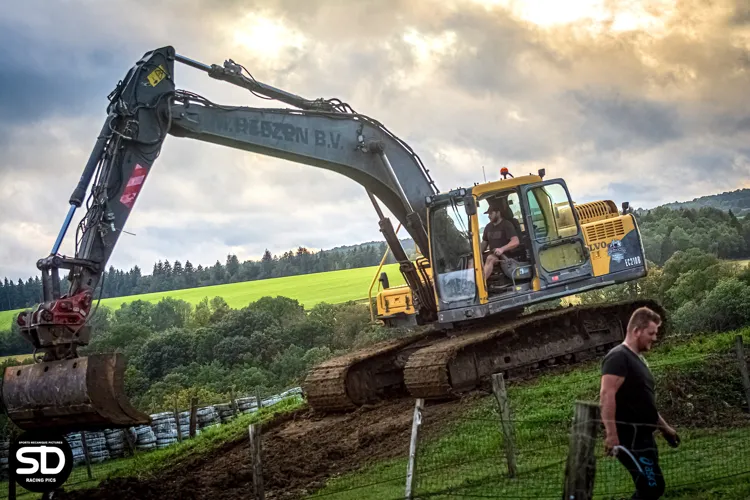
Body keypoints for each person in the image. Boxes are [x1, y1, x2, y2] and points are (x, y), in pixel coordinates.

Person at [600, 306, 680, 500]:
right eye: (651, 333)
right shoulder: (618, 357)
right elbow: (606, 395)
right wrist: (611, 435)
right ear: (636, 331)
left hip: (644, 436)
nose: (654, 338)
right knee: (651, 488)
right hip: (630, 439)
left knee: (650, 488)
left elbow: (644, 401)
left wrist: (665, 428)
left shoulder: (638, 360)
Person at [481, 201, 521, 280]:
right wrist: (475, 254)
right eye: (488, 214)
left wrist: (502, 249)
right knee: (472, 261)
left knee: (490, 258)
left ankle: (479, 285)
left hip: (505, 256)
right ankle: (470, 285)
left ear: (498, 213)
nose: (489, 216)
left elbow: (515, 241)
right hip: (493, 253)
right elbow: (484, 244)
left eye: (491, 214)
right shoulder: (488, 227)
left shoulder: (507, 225)